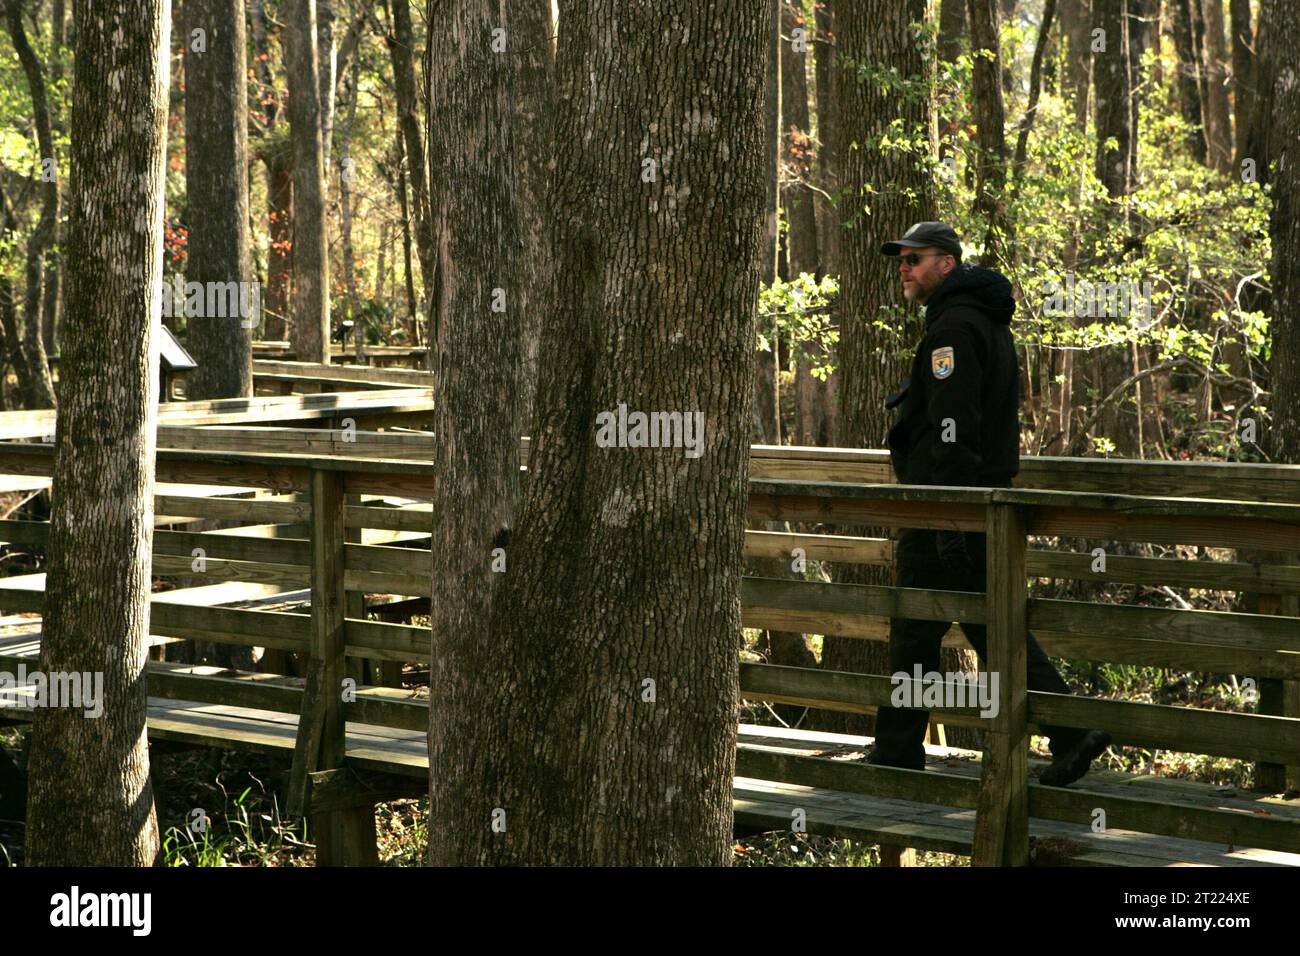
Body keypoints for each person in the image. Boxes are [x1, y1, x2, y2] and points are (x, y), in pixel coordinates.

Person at [865, 221, 1110, 787]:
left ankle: (902, 753)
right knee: (960, 630)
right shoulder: (981, 320)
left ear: (946, 264)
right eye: (900, 259)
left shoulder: (955, 327)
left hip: (947, 510)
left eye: (914, 259)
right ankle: (902, 748)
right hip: (964, 507)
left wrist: (948, 513)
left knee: (938, 630)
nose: (903, 268)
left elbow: (954, 427)